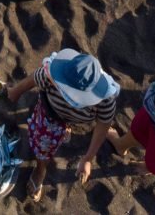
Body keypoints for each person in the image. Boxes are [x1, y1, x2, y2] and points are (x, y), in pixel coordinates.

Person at [6, 48, 120, 199]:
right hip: (49, 115)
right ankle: (41, 169)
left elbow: (103, 125)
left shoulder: (105, 100)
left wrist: (87, 158)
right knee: (43, 147)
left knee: (63, 127)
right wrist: (15, 92)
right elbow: (33, 78)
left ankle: (66, 126)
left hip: (74, 119)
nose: (69, 98)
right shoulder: (51, 76)